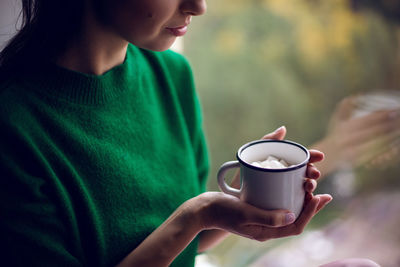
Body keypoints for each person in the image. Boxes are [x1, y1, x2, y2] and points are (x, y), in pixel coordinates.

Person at [3, 0, 383, 266]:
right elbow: (188, 224)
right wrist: (197, 214)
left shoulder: (171, 76)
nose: (198, 6)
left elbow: (182, 247)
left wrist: (249, 200)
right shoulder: (15, 128)